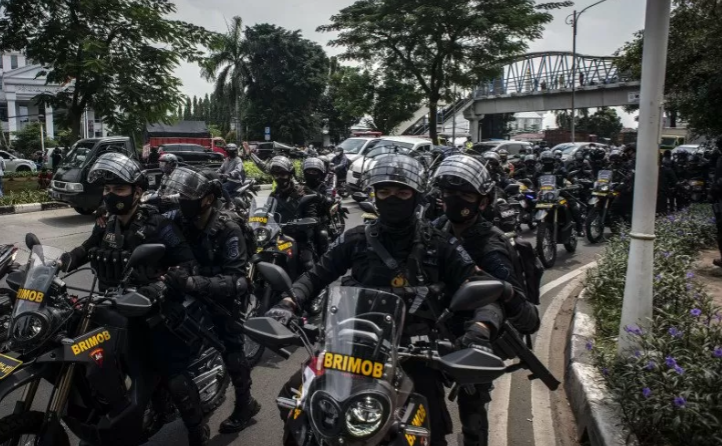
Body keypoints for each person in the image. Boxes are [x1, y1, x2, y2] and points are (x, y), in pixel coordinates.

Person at [267, 153, 512, 446]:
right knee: (294, 400)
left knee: (429, 431)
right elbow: (316, 275)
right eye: (384, 191)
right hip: (350, 348)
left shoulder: (440, 244)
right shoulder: (356, 238)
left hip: (415, 352)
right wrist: (287, 304)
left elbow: (481, 287)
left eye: (402, 192)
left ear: (417, 196)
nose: (392, 198)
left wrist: (480, 329)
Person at [59, 153, 210, 445]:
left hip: (152, 310)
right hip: (110, 307)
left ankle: (195, 428)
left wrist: (160, 287)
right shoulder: (106, 224)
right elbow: (88, 248)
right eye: (107, 190)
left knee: (169, 371)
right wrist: (63, 261)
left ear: (137, 192)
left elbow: (188, 264)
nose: (110, 196)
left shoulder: (158, 225)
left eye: (118, 190)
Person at [431, 155, 540, 445]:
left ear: (482, 201)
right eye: (449, 193)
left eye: (465, 194)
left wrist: (480, 330)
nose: (455, 200)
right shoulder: (438, 227)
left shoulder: (491, 246)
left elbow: (515, 307)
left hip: (478, 334)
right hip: (437, 326)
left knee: (472, 412)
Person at [162, 168, 261, 434]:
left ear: (206, 199)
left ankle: (245, 403)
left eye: (187, 195)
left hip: (221, 298)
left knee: (231, 345)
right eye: (180, 194)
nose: (181, 199)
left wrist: (195, 283)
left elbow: (237, 281)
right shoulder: (181, 217)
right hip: (186, 293)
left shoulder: (228, 228)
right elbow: (155, 219)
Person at [537, 150, 584, 236]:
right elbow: (533, 180)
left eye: (549, 160)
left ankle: (579, 228)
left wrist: (575, 182)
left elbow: (569, 176)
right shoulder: (539, 171)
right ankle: (539, 228)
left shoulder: (559, 169)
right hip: (544, 194)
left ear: (553, 160)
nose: (547, 163)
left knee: (574, 207)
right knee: (533, 203)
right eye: (545, 161)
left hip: (560, 192)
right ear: (541, 161)